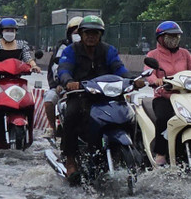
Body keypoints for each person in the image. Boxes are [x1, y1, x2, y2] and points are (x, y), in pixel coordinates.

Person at [56, 15, 142, 179]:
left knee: (130, 115)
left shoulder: (109, 50)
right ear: (81, 34)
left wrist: (133, 80)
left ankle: (138, 150)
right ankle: (71, 160)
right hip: (81, 95)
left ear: (100, 35)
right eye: (87, 33)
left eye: (95, 33)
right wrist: (69, 82)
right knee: (71, 114)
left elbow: (119, 69)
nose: (91, 36)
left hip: (107, 95)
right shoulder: (70, 50)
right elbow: (64, 69)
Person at [145, 20, 191, 165]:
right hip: (164, 98)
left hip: (185, 96)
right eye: (170, 36)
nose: (174, 39)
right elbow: (148, 73)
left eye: (176, 36)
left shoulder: (184, 53)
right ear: (160, 38)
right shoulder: (153, 54)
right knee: (164, 119)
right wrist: (156, 81)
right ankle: (161, 153)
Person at [44, 17, 84, 136]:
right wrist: (60, 84)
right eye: (75, 32)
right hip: (64, 85)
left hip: (87, 86)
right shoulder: (64, 48)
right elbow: (58, 67)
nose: (79, 35)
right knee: (49, 100)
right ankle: (52, 127)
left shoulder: (99, 49)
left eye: (82, 32)